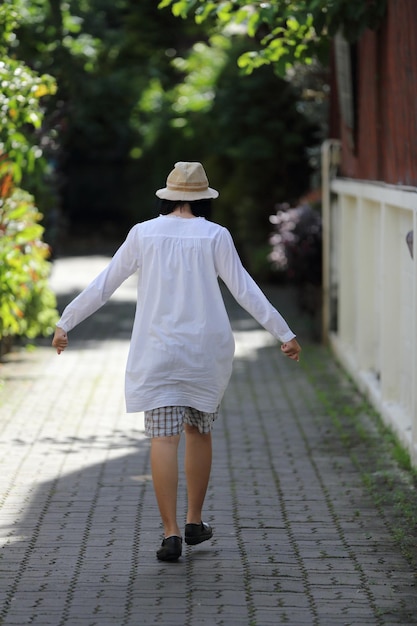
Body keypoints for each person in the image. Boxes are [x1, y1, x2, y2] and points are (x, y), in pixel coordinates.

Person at [52, 161, 301, 562]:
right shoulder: (215, 236)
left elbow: (106, 282)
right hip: (203, 353)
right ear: (203, 198)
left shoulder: (143, 234)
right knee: (198, 432)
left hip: (156, 351)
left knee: (162, 439)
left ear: (166, 196)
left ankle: (170, 534)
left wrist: (66, 322)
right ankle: (193, 521)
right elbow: (244, 289)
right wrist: (284, 333)